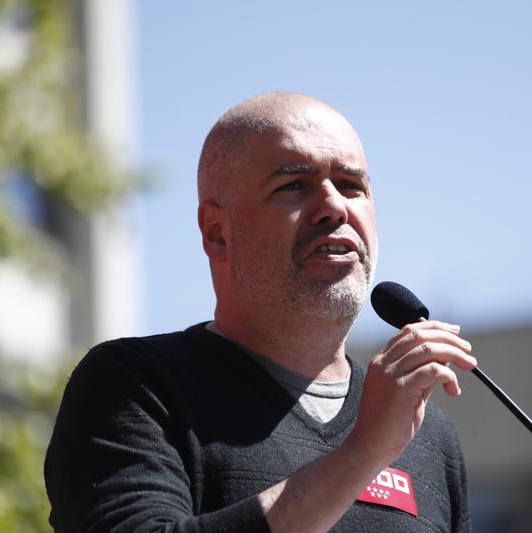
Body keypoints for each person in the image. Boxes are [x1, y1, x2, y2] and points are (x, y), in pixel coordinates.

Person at [45, 92, 477, 532]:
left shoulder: (425, 432)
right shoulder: (137, 386)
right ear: (217, 232)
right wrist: (361, 454)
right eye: (293, 186)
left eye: (351, 186)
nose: (334, 207)